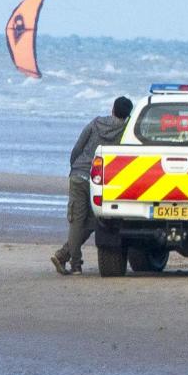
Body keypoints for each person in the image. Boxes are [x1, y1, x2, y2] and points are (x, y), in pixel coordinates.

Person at [51, 96, 134, 275]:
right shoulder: (126, 130)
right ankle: (71, 260)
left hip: (79, 174)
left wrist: (75, 167)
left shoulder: (95, 123)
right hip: (101, 179)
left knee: (77, 221)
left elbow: (77, 148)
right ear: (128, 115)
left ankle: (70, 260)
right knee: (92, 222)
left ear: (112, 109)